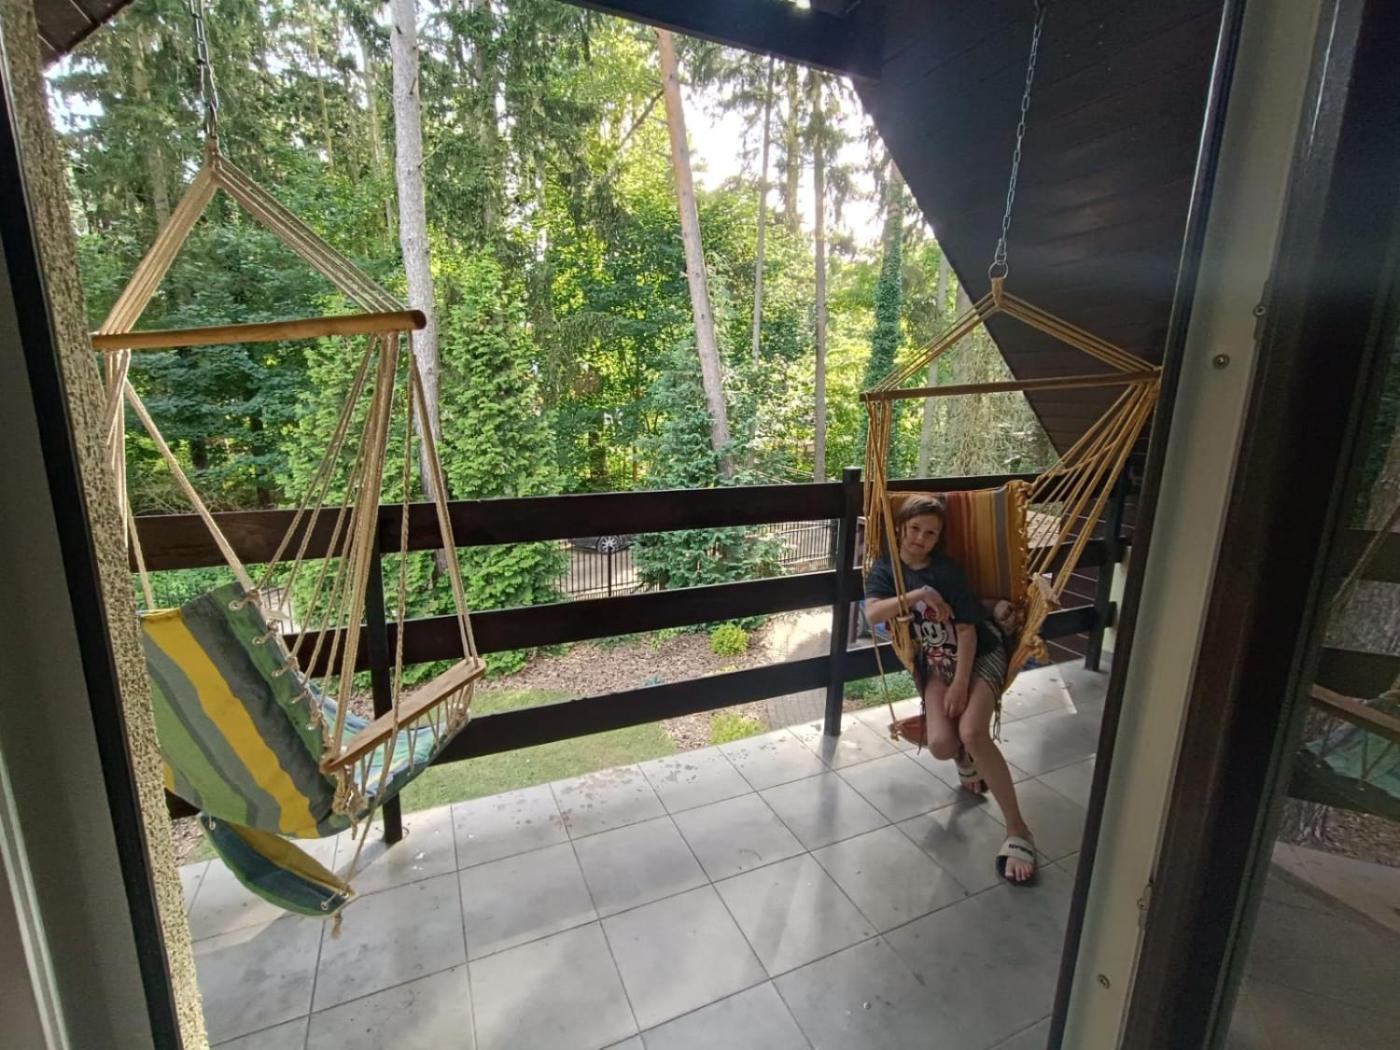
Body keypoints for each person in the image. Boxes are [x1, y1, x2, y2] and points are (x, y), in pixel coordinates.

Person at [863, 495, 1037, 885]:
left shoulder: (947, 571)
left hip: (979, 654)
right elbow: (872, 613)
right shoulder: (887, 570)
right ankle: (964, 757)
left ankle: (1018, 829)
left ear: (938, 538)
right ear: (900, 528)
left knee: (972, 731)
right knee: (942, 745)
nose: (920, 539)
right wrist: (919, 595)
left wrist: (960, 683)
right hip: (935, 662)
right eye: (914, 529)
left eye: (930, 533)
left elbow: (968, 632)